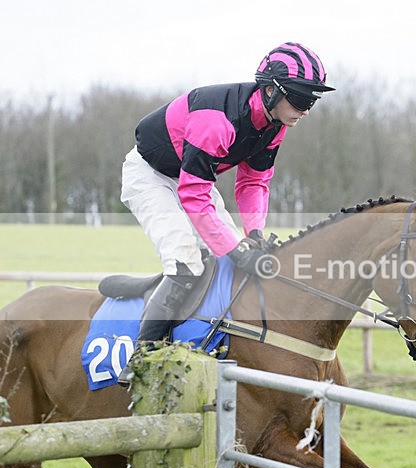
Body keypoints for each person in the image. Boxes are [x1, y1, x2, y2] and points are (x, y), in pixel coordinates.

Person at [117, 42, 334, 384]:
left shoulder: (275, 125)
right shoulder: (216, 121)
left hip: (192, 179)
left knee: (232, 261)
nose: (306, 110)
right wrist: (234, 248)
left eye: (313, 101)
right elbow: (193, 194)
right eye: (302, 99)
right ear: (270, 90)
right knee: (187, 262)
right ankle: (142, 357)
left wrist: (254, 235)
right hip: (151, 176)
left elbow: (254, 182)